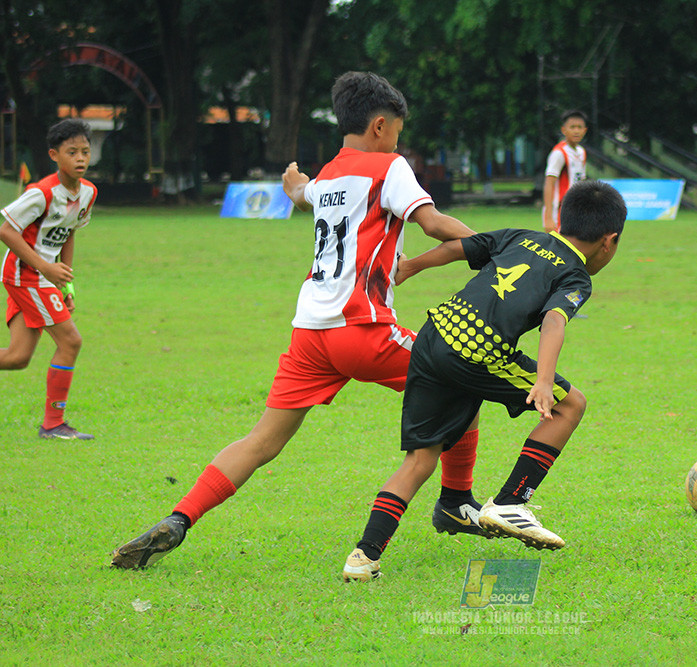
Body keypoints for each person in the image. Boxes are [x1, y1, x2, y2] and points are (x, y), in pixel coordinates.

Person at [111, 72, 485, 570]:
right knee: (464, 380)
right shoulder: (390, 166)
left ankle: (180, 518)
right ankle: (456, 503)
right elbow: (433, 223)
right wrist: (495, 247)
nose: (399, 140)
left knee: (262, 441)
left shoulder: (329, 175)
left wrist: (297, 188)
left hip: (310, 333)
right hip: (364, 327)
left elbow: (308, 195)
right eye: (397, 130)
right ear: (379, 126)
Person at [343, 179, 628, 582]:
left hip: (434, 333)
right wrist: (543, 383)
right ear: (609, 241)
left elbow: (459, 248)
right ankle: (512, 500)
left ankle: (365, 554)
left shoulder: (521, 236)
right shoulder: (576, 275)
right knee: (571, 405)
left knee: (421, 458)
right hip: (477, 346)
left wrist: (410, 266)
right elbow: (553, 320)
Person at [1, 119, 97, 440]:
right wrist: (45, 268)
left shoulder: (87, 193)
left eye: (85, 151)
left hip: (42, 277)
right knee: (71, 341)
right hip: (24, 275)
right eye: (72, 152)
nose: (81, 158)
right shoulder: (41, 193)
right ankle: (53, 424)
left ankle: (54, 425)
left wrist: (64, 281)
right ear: (54, 155)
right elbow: (5, 231)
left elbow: (68, 233)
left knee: (17, 358)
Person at [542, 110, 588, 233]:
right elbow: (549, 183)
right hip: (559, 211)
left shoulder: (581, 152)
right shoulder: (559, 153)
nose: (576, 131)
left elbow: (580, 182)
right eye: (572, 127)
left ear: (585, 130)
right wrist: (548, 217)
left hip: (575, 210)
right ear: (564, 130)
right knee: (557, 249)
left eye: (579, 127)